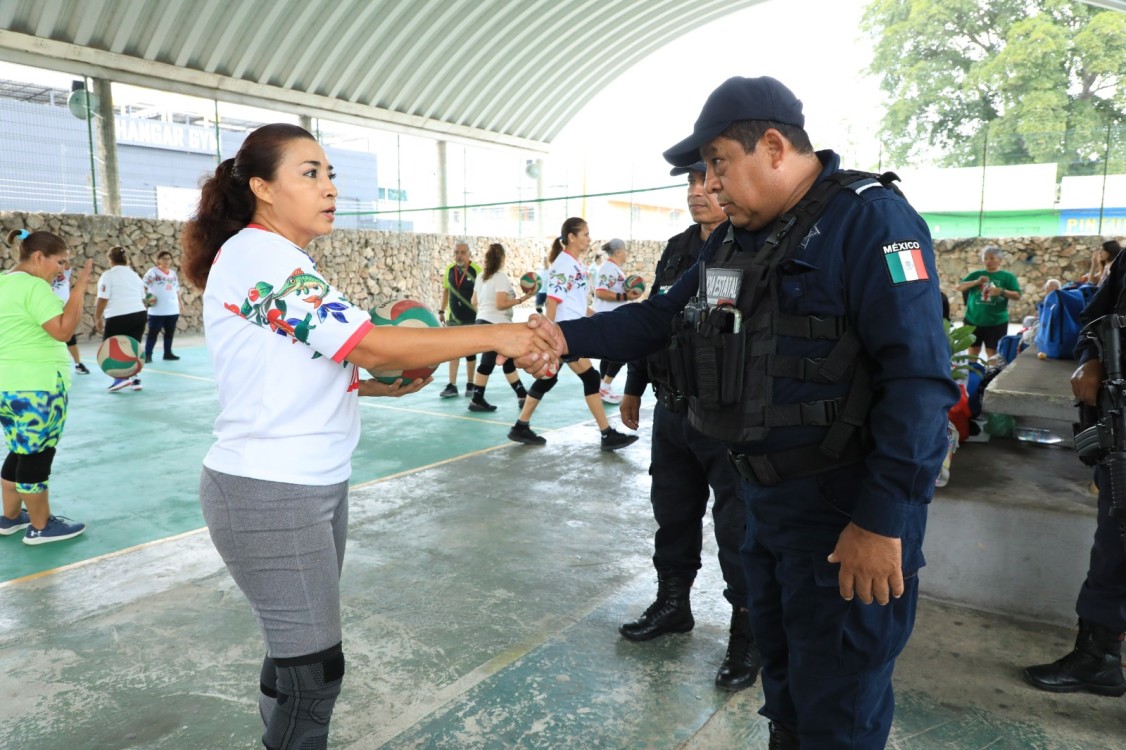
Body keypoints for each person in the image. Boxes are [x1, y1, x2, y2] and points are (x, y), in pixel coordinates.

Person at [542, 76, 957, 748]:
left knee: (840, 709)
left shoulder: (871, 220)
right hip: (765, 506)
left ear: (771, 146)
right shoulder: (734, 241)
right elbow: (662, 318)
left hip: (845, 512)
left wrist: (883, 521)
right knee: (787, 696)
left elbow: (919, 381)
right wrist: (562, 338)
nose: (710, 184)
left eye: (718, 164)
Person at [180, 123, 557, 750]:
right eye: (310, 173)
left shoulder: (285, 258)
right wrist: (503, 335)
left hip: (312, 484)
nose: (330, 187)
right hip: (270, 492)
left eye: (330, 174)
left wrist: (374, 387)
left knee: (294, 656)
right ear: (261, 189)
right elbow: (373, 342)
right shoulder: (257, 255)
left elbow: (307, 363)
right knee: (313, 676)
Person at [617, 162, 758, 691]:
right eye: (690, 185)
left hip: (725, 417)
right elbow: (655, 318)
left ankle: (748, 634)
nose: (697, 193)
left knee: (737, 529)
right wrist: (634, 385)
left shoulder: (748, 244)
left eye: (706, 182)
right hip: (672, 409)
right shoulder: (678, 248)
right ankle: (673, 604)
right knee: (672, 512)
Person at [1023, 241, 1126, 698]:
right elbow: (1094, 318)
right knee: (1115, 541)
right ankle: (1099, 657)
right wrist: (1090, 357)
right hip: (1121, 426)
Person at [506, 217, 638, 452]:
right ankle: (607, 434)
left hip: (571, 329)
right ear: (572, 237)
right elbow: (552, 302)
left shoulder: (575, 264)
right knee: (590, 378)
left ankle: (521, 425)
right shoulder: (564, 265)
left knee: (549, 378)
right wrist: (550, 337)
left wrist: (597, 318)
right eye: (585, 234)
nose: (588, 238)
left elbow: (575, 303)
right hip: (565, 334)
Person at [0, 229, 92, 544]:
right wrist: (79, 290)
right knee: (37, 455)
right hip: (37, 388)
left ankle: (10, 518)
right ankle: (41, 527)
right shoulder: (35, 288)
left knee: (20, 450)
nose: (62, 270)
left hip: (7, 387)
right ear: (39, 257)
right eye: (60, 262)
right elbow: (63, 331)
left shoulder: (3, 283)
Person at [468, 242, 533, 412]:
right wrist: (522, 299)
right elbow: (501, 303)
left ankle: (522, 395)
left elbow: (474, 302)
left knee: (507, 360)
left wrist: (483, 315)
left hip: (482, 322)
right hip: (496, 325)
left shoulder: (481, 276)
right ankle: (477, 399)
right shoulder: (500, 278)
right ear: (502, 258)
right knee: (488, 363)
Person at [591, 238, 640, 405]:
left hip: (612, 317)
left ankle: (603, 388)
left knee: (609, 355)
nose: (626, 253)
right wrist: (625, 296)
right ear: (618, 252)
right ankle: (605, 386)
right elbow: (600, 292)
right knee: (623, 351)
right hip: (608, 317)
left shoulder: (614, 269)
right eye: (625, 250)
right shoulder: (608, 269)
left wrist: (629, 292)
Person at [954, 245, 1021, 361]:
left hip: (996, 323)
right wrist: (976, 282)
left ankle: (990, 378)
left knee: (992, 353)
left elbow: (1017, 295)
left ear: (999, 260)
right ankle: (973, 376)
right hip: (973, 320)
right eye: (985, 258)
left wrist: (1001, 291)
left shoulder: (1007, 277)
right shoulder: (977, 275)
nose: (988, 261)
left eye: (991, 258)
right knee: (972, 352)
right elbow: (959, 287)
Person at [95, 246, 148, 392]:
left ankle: (119, 379)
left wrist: (97, 317)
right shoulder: (135, 275)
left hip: (118, 315)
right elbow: (143, 297)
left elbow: (103, 299)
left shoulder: (108, 275)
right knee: (133, 348)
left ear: (110, 259)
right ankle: (136, 379)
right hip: (139, 314)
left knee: (111, 347)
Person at [437, 241, 480, 398]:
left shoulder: (477, 271)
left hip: (472, 319)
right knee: (453, 352)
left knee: (470, 353)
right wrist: (441, 311)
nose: (459, 255)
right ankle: (452, 385)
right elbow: (446, 291)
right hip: (453, 319)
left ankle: (470, 384)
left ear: (469, 254)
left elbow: (481, 294)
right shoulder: (450, 270)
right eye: (456, 252)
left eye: (462, 252)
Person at [48, 257, 90, 375]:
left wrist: (61, 257)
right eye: (58, 263)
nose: (60, 266)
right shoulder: (46, 277)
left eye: (61, 263)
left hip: (65, 312)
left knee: (71, 339)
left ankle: (78, 364)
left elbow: (67, 264)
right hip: (51, 312)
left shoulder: (65, 275)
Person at [142, 250, 183, 363]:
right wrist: (147, 299)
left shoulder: (173, 273)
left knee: (170, 332)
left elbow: (177, 290)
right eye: (164, 258)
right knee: (153, 333)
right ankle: (148, 354)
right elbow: (144, 287)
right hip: (157, 310)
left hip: (172, 309)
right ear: (158, 260)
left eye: (169, 258)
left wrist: (180, 303)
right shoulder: (153, 272)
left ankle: (168, 353)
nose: (167, 261)